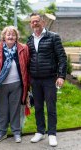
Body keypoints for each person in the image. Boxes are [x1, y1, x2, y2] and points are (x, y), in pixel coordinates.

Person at [27, 13, 67, 147]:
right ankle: (40, 131)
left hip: (50, 79)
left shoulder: (53, 37)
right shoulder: (29, 39)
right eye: (32, 22)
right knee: (37, 107)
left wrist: (61, 76)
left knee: (51, 107)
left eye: (37, 21)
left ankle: (52, 134)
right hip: (35, 80)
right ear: (30, 24)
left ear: (43, 22)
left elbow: (62, 57)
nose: (35, 24)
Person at [0, 26, 30, 143]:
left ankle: (16, 132)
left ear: (16, 37)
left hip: (17, 85)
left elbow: (27, 67)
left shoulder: (23, 48)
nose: (10, 36)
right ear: (4, 37)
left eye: (13, 34)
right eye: (8, 34)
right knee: (1, 110)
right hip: (0, 86)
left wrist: (28, 86)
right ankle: (1, 132)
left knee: (15, 110)